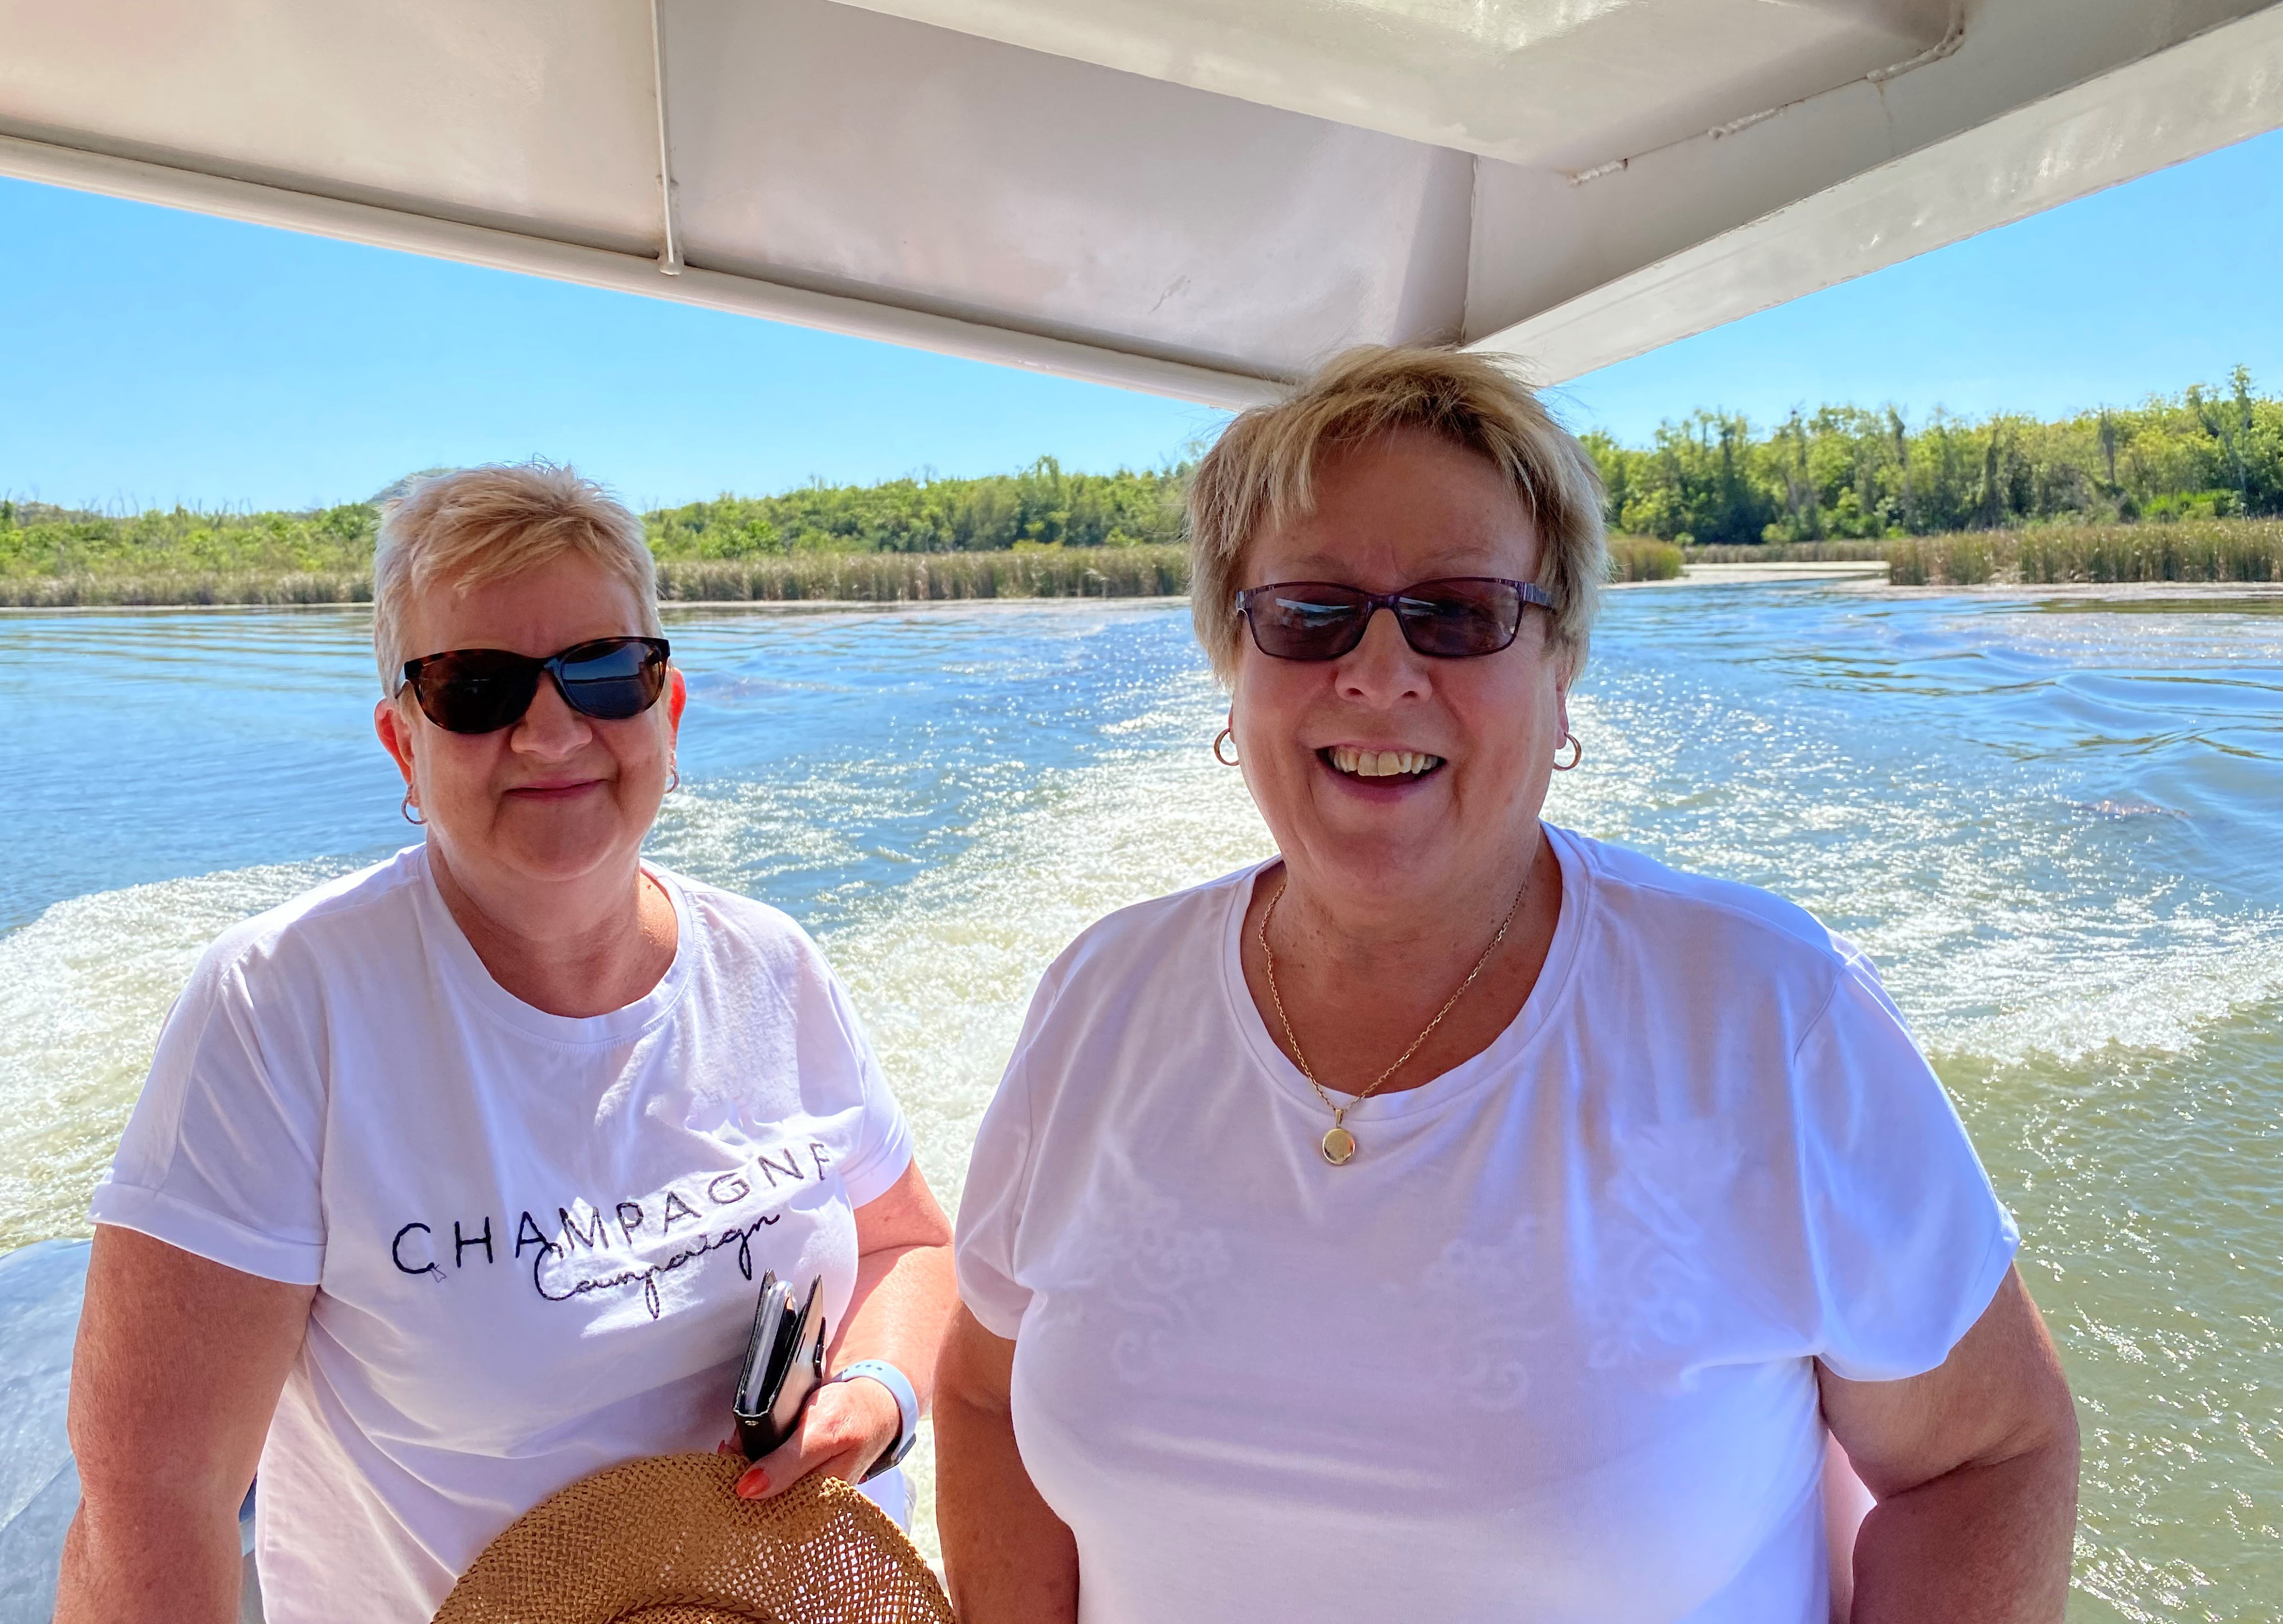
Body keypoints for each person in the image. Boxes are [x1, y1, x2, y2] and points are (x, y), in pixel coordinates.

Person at [935, 347, 2079, 1623]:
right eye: (1310, 612)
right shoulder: (1102, 1000)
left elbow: (1988, 1457)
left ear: (1561, 672)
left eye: (1462, 612)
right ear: (1233, 662)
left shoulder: (1767, 1017)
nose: (1377, 673)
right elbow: (985, 1390)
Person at [56, 464, 956, 1624]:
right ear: (402, 746)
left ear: (666, 712)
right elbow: (155, 1501)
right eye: (477, 688)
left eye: (603, 673)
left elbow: (911, 1246)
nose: (551, 727)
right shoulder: (286, 1008)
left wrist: (878, 1391)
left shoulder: (772, 967)